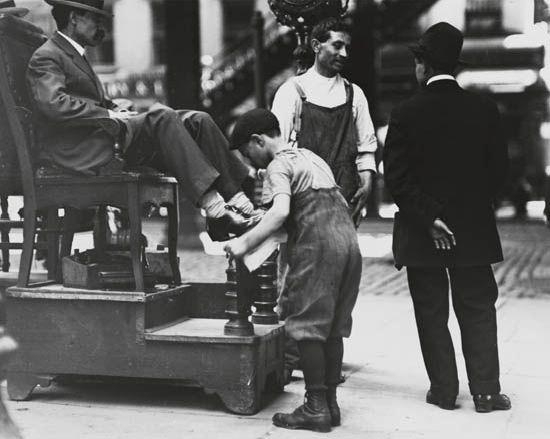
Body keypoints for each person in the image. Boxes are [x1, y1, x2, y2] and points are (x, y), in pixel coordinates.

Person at [26, 0, 259, 241]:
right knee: (162, 116)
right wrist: (107, 114)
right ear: (74, 18)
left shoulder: (76, 54)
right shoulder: (48, 55)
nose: (101, 25)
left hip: (98, 136)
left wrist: (116, 107)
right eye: (95, 19)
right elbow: (52, 104)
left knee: (198, 120)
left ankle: (242, 202)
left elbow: (93, 101)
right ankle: (217, 212)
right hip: (77, 149)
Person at [383, 22, 511, 413]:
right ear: (455, 67)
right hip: (472, 233)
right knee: (477, 309)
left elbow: (397, 180)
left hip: (423, 235)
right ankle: (487, 393)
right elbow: (499, 175)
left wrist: (430, 218)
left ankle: (443, 391)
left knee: (432, 312)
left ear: (421, 65)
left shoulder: (405, 113)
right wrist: (464, 212)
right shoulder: (485, 110)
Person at [224, 109, 362, 432]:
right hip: (349, 245)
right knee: (333, 328)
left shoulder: (277, 165)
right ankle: (329, 403)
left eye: (247, 153)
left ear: (259, 140)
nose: (249, 162)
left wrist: (243, 243)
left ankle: (314, 407)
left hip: (319, 246)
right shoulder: (311, 158)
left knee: (306, 325)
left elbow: (280, 212)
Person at [271, 17, 377, 226]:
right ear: (316, 46)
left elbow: (366, 148)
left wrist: (366, 183)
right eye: (337, 46)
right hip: (304, 201)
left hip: (344, 199)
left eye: (347, 47)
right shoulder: (292, 91)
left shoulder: (354, 94)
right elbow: (277, 151)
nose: (344, 54)